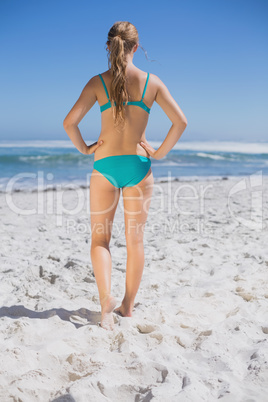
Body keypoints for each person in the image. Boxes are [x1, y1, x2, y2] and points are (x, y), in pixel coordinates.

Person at [63, 21, 187, 330]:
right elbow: (180, 122)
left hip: (105, 166)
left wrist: (84, 148)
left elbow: (69, 123)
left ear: (109, 46)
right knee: (135, 241)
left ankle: (106, 303)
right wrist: (158, 153)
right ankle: (128, 307)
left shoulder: (97, 82)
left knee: (100, 239)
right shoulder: (151, 83)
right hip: (138, 166)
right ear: (135, 47)